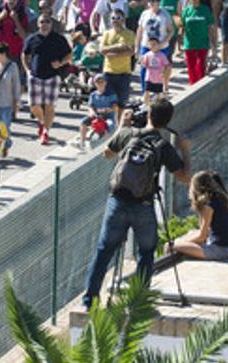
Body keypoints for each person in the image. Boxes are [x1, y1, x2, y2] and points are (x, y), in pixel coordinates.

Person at [82, 99, 190, 309]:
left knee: (104, 251)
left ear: (148, 114)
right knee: (146, 253)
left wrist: (122, 126)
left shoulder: (129, 133)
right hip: (144, 205)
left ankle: (90, 302)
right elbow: (185, 177)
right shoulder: (163, 146)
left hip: (118, 201)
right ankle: (137, 304)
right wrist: (185, 149)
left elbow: (107, 153)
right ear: (167, 121)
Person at [22, 14, 71, 145]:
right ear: (38, 24)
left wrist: (60, 63)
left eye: (47, 22)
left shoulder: (59, 38)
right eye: (42, 21)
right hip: (35, 76)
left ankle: (45, 132)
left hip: (53, 76)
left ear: (51, 24)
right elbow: (24, 55)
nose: (44, 24)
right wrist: (27, 71)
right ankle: (42, 122)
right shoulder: (31, 39)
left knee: (50, 106)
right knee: (33, 106)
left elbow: (69, 54)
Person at [171, 170, 228, 261]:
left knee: (170, 245)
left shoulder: (208, 207)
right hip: (226, 248)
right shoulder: (219, 199)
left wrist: (182, 243)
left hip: (218, 251)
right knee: (190, 233)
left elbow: (202, 237)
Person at [78, 74, 118, 149]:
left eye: (102, 81)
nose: (100, 83)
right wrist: (92, 112)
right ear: (95, 83)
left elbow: (115, 107)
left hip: (107, 116)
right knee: (83, 122)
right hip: (96, 115)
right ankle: (82, 142)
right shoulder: (93, 95)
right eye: (98, 82)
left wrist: (108, 109)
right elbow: (90, 106)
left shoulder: (111, 94)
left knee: (110, 125)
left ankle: (107, 145)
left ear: (105, 83)